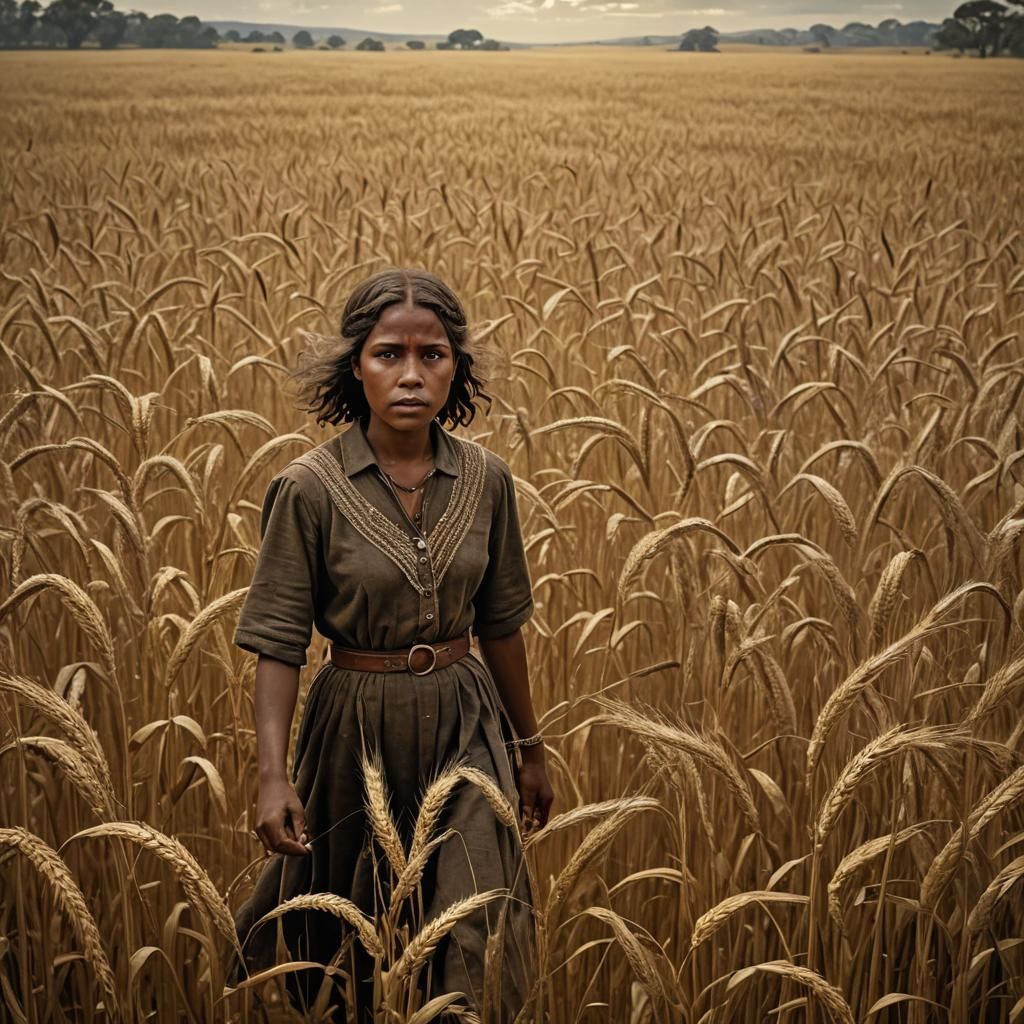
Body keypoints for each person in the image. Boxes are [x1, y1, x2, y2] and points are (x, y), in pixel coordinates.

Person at [230, 267, 554, 1020]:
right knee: (345, 947)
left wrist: (529, 747)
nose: (412, 374)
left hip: (467, 725)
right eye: (388, 354)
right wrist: (273, 776)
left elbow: (501, 625)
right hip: (353, 732)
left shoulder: (488, 480)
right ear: (355, 365)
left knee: (478, 933)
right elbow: (279, 643)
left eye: (432, 355)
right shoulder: (307, 489)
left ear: (456, 366)